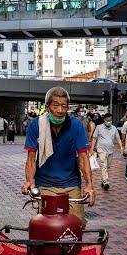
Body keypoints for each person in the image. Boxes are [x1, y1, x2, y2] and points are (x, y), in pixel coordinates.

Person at [22, 86, 95, 229]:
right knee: (48, 228)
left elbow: (83, 157)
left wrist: (89, 185)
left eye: (64, 106)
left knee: (76, 226)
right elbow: (31, 158)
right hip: (45, 183)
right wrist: (30, 181)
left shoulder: (76, 125)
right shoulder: (36, 124)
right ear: (47, 107)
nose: (60, 110)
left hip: (71, 183)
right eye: (55, 106)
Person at [92, 113, 123, 191]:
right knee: (103, 165)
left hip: (110, 150)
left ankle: (103, 180)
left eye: (110, 120)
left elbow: (118, 138)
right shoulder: (99, 127)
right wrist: (92, 148)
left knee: (107, 166)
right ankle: (106, 182)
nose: (109, 121)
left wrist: (121, 147)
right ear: (104, 120)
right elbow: (94, 138)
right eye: (108, 120)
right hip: (101, 149)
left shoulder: (114, 128)